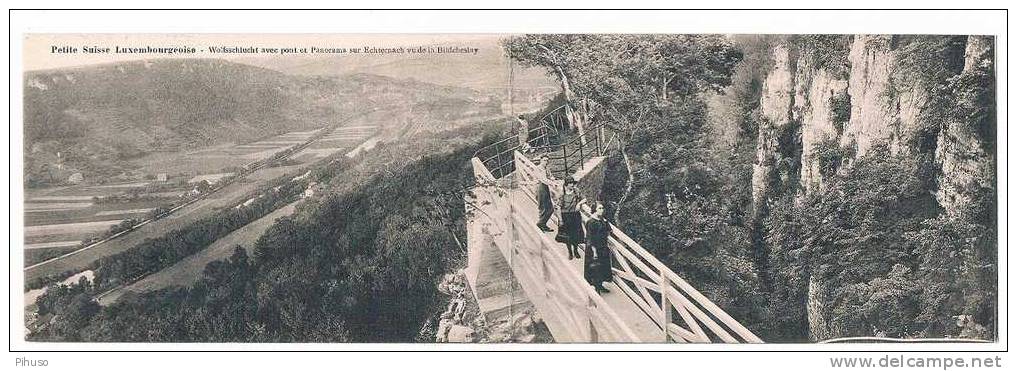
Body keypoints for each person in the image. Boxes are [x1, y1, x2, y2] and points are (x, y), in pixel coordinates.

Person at [584, 202, 613, 293]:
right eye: (600, 208)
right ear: (595, 210)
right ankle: (596, 289)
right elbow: (589, 238)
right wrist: (594, 251)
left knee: (603, 267)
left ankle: (600, 286)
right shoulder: (591, 222)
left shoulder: (603, 220)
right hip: (594, 249)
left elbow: (609, 230)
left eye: (602, 208)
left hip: (603, 247)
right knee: (596, 269)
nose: (602, 210)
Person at [558, 177, 586, 260]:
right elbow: (558, 207)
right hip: (566, 216)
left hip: (575, 216)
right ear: (566, 184)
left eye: (573, 183)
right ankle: (570, 252)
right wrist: (560, 220)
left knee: (576, 235)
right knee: (568, 236)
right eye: (570, 183)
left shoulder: (576, 191)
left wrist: (579, 204)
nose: (572, 185)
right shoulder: (562, 194)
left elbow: (584, 199)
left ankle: (576, 250)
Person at [535, 155, 556, 232]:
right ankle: (541, 225)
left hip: (546, 188)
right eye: (544, 160)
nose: (546, 162)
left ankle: (542, 223)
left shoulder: (547, 168)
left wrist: (553, 179)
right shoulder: (538, 168)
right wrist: (551, 183)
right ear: (541, 160)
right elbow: (543, 179)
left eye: (547, 160)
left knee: (550, 208)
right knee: (543, 208)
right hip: (540, 188)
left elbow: (550, 176)